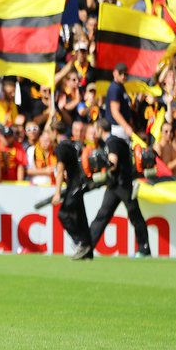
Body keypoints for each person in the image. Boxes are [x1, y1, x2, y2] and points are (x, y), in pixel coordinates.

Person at [89, 66, 151, 256]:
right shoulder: (115, 89)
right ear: (115, 73)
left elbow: (112, 161)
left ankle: (87, 246)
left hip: (120, 181)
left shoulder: (114, 140)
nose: (124, 77)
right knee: (117, 215)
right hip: (119, 182)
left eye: (125, 74)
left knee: (113, 215)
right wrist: (128, 127)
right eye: (121, 73)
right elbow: (115, 111)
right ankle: (87, 246)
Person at [50, 121, 93, 260]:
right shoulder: (70, 144)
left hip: (74, 186)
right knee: (81, 218)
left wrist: (57, 192)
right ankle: (88, 251)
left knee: (63, 214)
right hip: (79, 184)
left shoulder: (61, 147)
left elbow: (60, 169)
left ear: (54, 132)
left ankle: (80, 242)